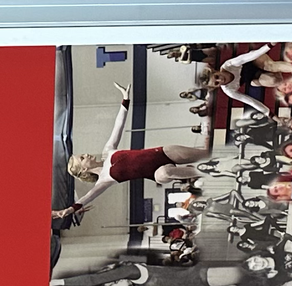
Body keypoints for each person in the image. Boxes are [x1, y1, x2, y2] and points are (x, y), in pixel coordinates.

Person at [62, 88, 209, 214]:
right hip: (155, 173)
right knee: (165, 172)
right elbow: (87, 197)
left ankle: (218, 159)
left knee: (205, 153)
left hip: (161, 153)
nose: (86, 154)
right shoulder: (103, 181)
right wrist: (69, 210)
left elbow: (118, 126)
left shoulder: (107, 152)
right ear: (84, 169)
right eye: (82, 158)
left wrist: (125, 100)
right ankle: (206, 172)